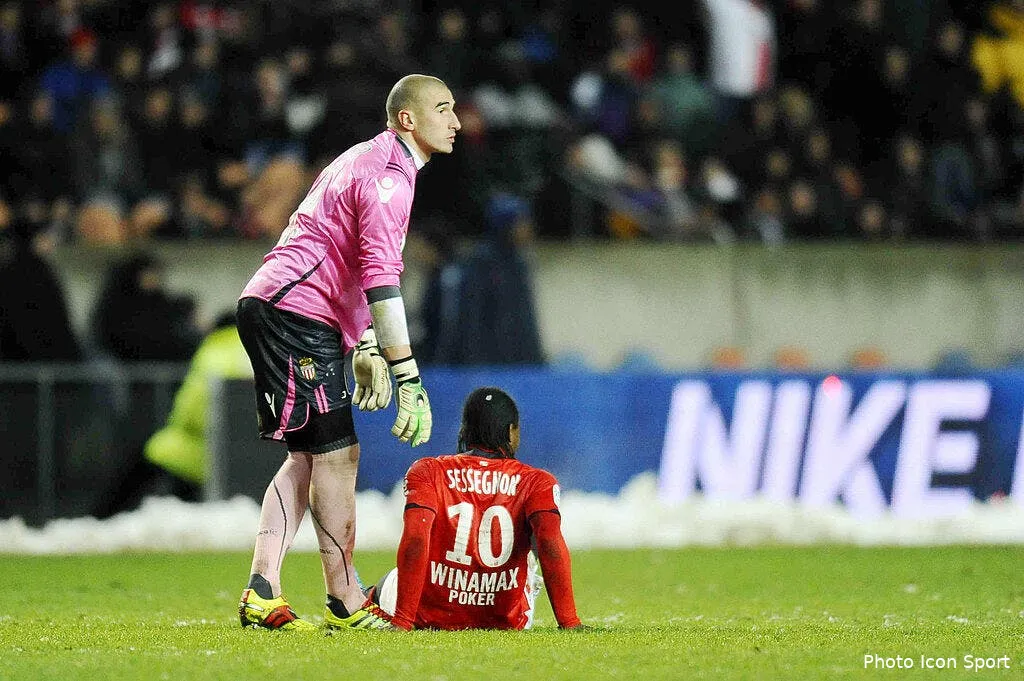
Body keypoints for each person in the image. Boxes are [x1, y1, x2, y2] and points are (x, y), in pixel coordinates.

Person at [235, 74, 461, 631]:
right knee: (336, 456)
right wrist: (405, 373)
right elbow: (382, 277)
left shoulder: (370, 160)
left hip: (289, 307)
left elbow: (350, 260)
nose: (456, 122)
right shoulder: (390, 176)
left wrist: (360, 343)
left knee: (312, 456)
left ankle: (266, 590)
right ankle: (345, 599)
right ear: (408, 119)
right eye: (444, 109)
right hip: (295, 312)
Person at [374, 386, 583, 631]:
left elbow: (416, 538)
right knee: (532, 555)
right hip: (507, 622)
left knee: (385, 583)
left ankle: (357, 597)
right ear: (511, 430)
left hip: (427, 618)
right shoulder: (536, 482)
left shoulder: (428, 471)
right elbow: (549, 544)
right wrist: (570, 622)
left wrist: (402, 621)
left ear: (465, 430)